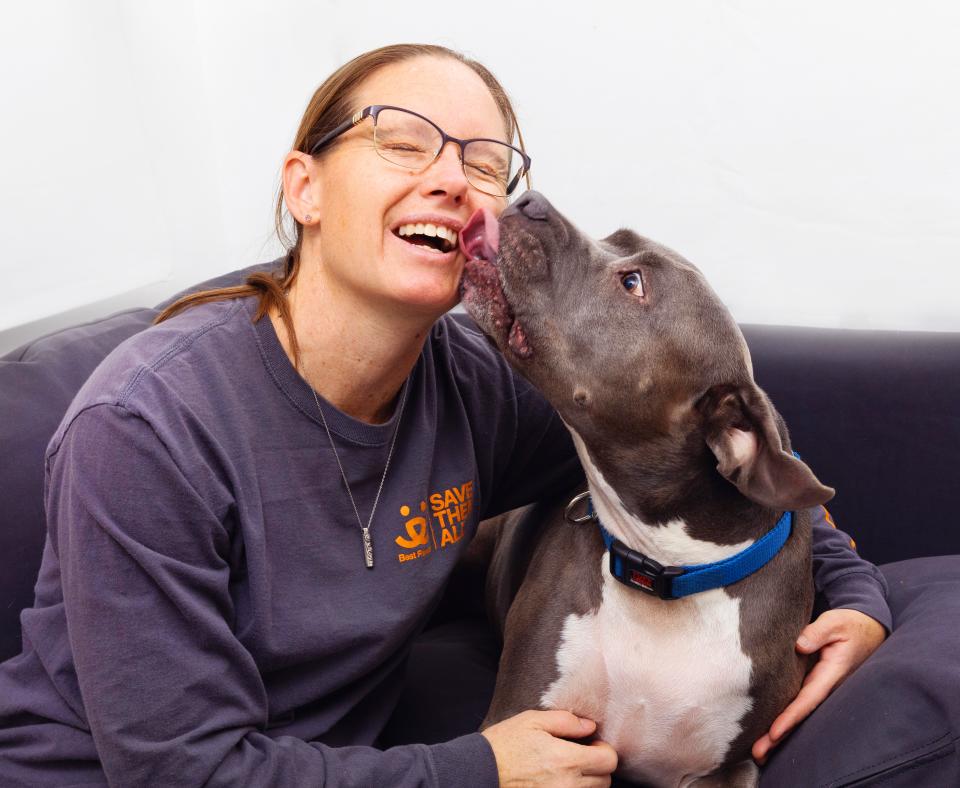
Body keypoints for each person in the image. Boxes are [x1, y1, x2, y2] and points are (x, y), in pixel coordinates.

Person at [0, 44, 889, 787]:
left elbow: (707, 462)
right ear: (304, 190)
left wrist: (855, 597)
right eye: (402, 141)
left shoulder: (479, 386)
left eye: (483, 162)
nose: (451, 180)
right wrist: (475, 771)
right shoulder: (144, 427)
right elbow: (180, 773)